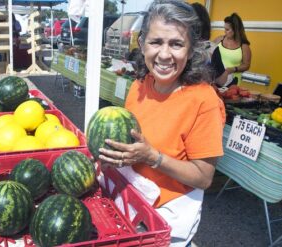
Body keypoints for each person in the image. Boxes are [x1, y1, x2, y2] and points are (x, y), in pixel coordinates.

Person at [98, 0, 225, 246]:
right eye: (156, 42)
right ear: (142, 43)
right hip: (128, 201)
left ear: (190, 51)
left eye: (176, 44)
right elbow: (128, 141)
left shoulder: (203, 100)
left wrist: (152, 157)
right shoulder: (139, 85)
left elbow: (203, 178)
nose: (164, 54)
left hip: (165, 219)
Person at [191, 2, 229, 87]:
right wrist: (227, 71)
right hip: (201, 94)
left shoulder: (178, 45)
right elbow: (221, 81)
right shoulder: (211, 48)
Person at [213, 12, 251, 86]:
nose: (225, 31)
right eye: (224, 29)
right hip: (215, 82)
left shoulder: (244, 46)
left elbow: (246, 65)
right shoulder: (219, 40)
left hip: (233, 84)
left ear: (235, 30)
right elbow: (208, 54)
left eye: (227, 29)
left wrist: (233, 69)